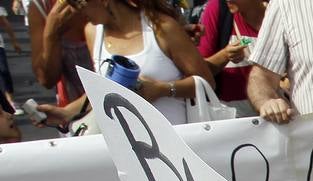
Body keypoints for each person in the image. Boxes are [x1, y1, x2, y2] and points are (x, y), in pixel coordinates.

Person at [42, 0, 214, 125]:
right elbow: (104, 89)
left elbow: (206, 83)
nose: (76, 11)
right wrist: (65, 113)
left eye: (79, 3)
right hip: (126, 150)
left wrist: (162, 89)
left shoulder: (162, 28)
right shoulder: (93, 32)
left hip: (172, 142)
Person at [26, 0, 96, 103]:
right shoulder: (42, 6)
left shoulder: (106, 5)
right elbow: (46, 80)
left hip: (114, 104)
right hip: (73, 110)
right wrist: (51, 34)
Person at [196, 0, 263, 103]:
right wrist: (225, 55)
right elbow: (199, 72)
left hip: (277, 110)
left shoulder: (280, 11)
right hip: (231, 113)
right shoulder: (217, 7)